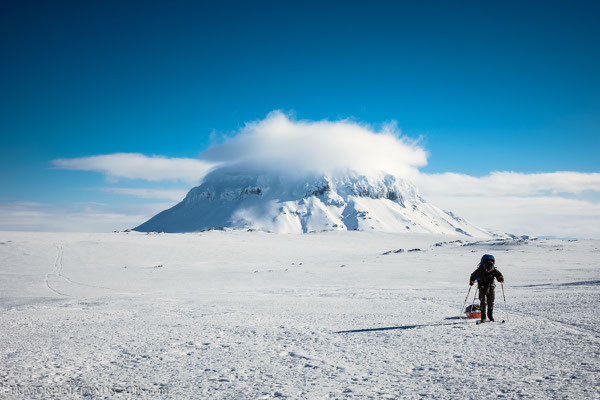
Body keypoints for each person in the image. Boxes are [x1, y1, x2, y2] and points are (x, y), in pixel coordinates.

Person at [470, 254, 504, 322]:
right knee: (483, 302)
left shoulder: (494, 269)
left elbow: (499, 275)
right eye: (487, 270)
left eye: (490, 270)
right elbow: (473, 275)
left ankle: (490, 315)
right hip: (482, 287)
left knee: (491, 301)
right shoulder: (480, 270)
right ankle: (483, 317)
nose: (488, 271)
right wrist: (472, 281)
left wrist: (500, 278)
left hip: (491, 286)